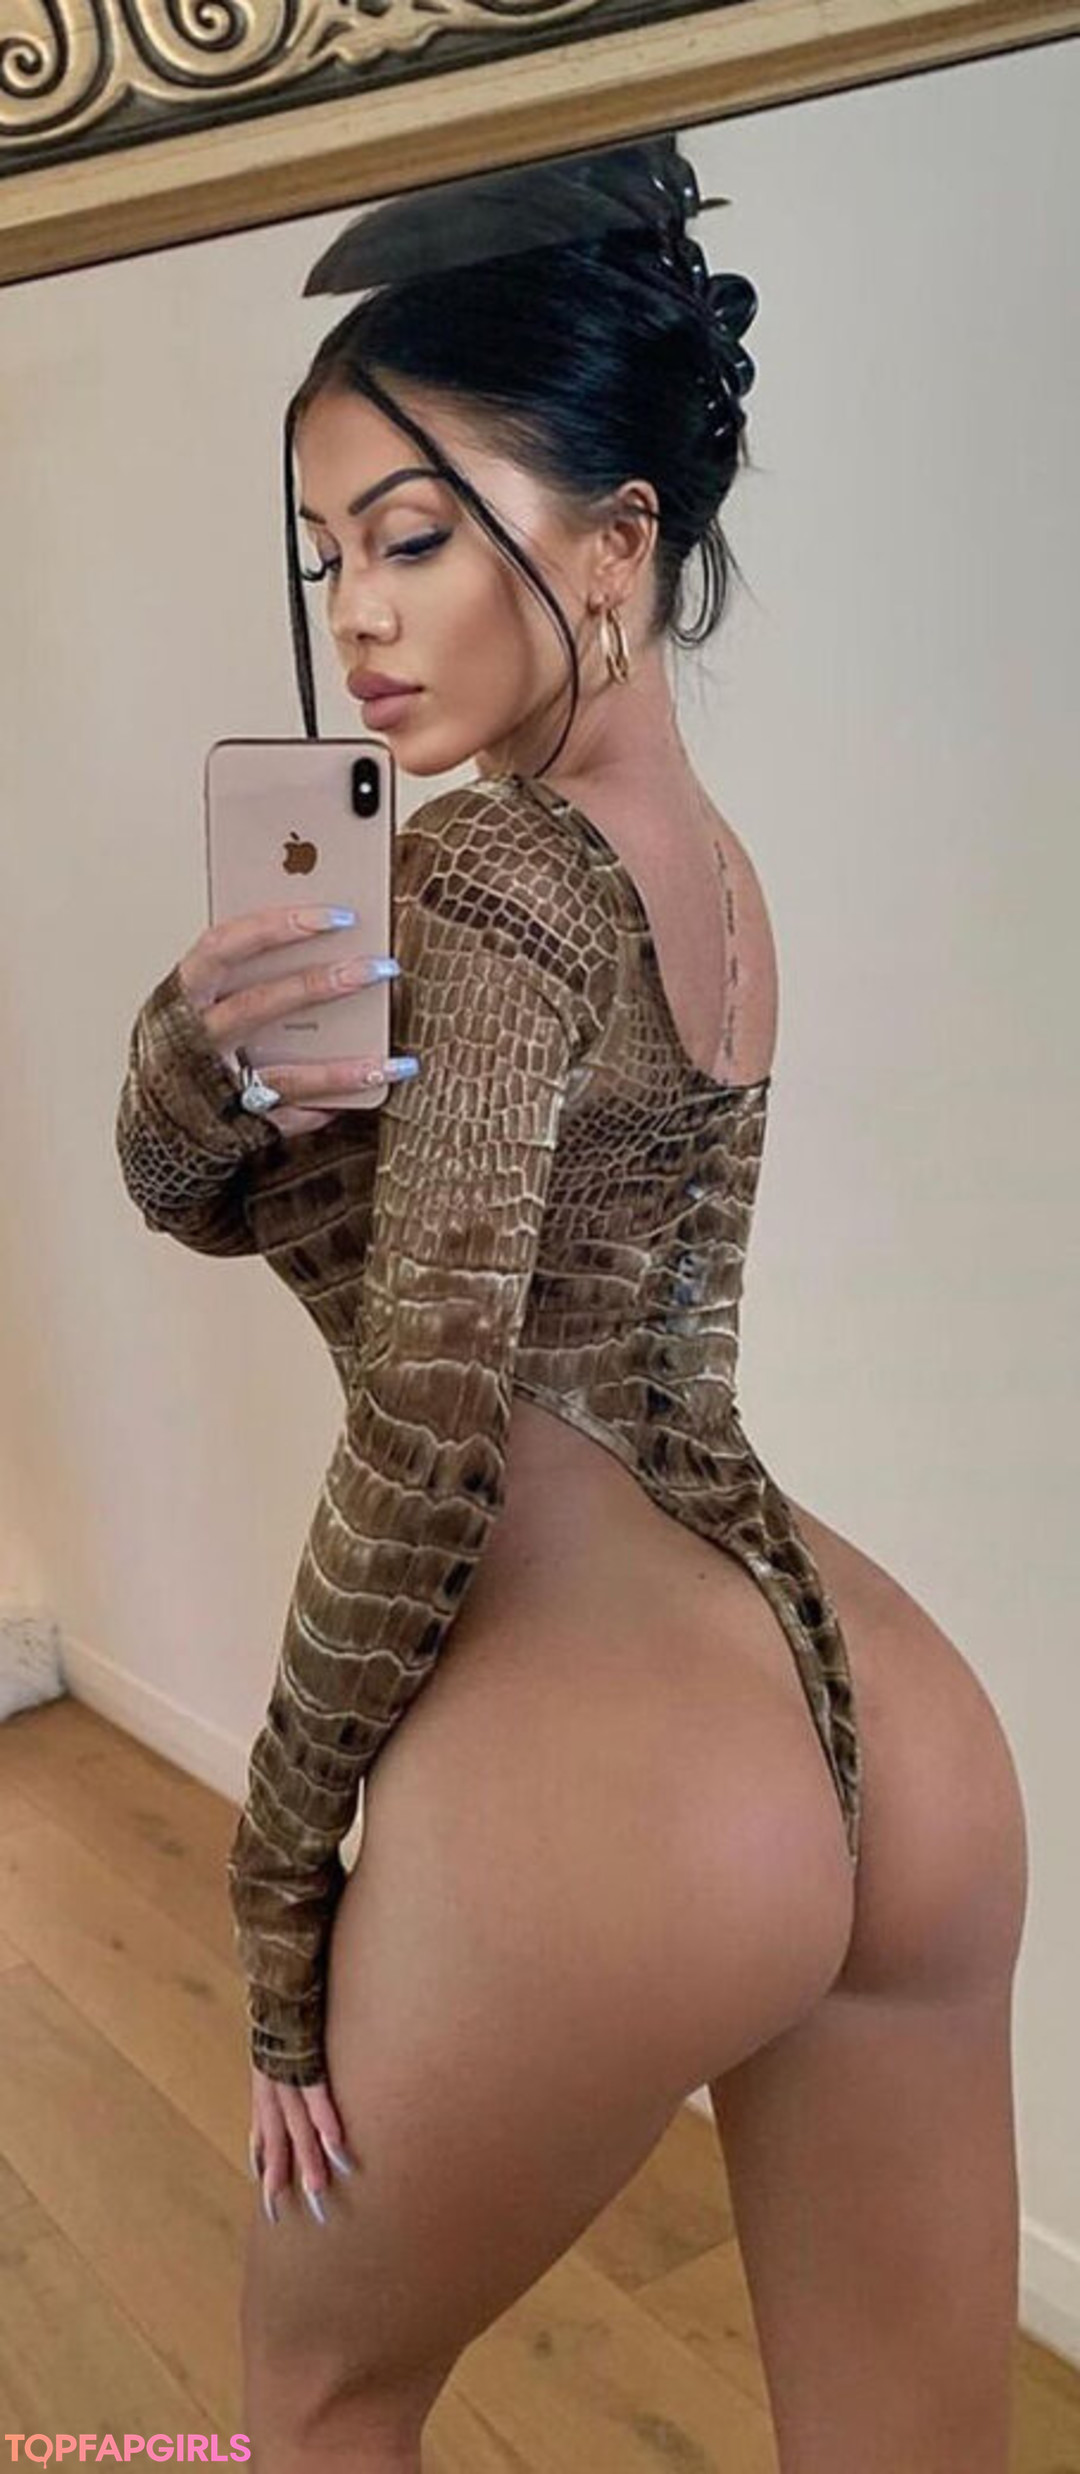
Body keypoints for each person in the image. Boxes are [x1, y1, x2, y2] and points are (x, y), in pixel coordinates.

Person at [115, 136, 1029, 2474]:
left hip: (612, 1766)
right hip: (882, 1712)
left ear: (615, 547)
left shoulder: (492, 873)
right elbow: (239, 1194)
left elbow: (433, 1432)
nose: (361, 614)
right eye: (329, 551)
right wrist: (197, 1053)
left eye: (415, 535)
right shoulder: (702, 868)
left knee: (320, 2392)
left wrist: (278, 1889)